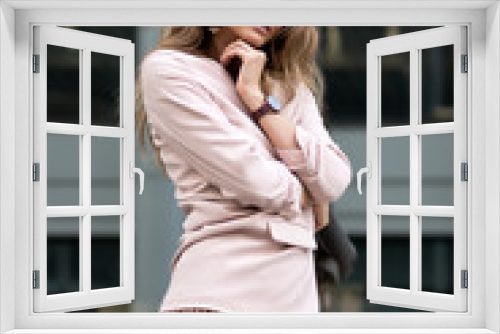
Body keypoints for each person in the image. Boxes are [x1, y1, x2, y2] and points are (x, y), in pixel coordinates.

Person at [135, 26, 352, 313]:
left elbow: (334, 179)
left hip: (295, 300)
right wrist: (309, 193)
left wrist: (257, 100)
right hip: (219, 296)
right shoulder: (170, 71)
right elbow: (259, 183)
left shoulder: (289, 88)